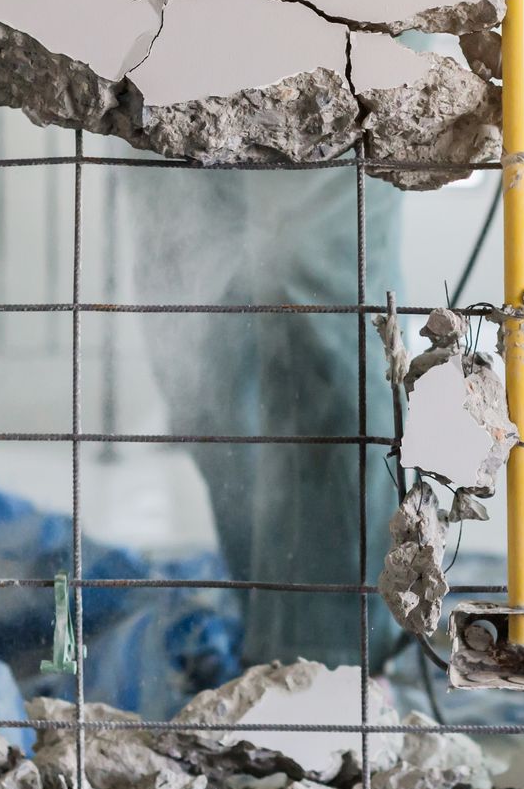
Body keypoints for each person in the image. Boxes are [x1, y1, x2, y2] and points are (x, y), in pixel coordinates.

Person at [117, 161, 402, 671]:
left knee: (316, 282)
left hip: (332, 93)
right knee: (195, 319)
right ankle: (265, 617)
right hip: (160, 88)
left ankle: (331, 658)